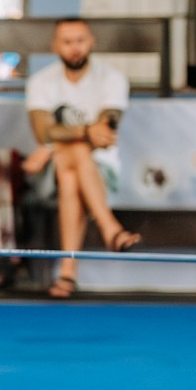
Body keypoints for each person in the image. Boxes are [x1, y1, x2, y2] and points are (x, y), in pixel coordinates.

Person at [24, 17, 138, 299]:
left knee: (71, 165)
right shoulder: (41, 82)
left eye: (80, 40)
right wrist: (85, 131)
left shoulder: (111, 79)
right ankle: (110, 228)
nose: (75, 48)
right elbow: (43, 132)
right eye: (67, 41)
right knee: (73, 157)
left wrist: (59, 140)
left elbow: (106, 130)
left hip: (101, 171)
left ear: (91, 42)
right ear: (55, 46)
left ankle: (67, 273)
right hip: (50, 175)